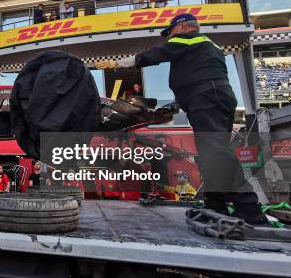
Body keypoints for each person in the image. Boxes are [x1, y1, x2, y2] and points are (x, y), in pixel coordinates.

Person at [96, 13, 268, 224]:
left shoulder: (189, 39)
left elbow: (157, 53)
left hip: (206, 100)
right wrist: (177, 105)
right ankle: (217, 204)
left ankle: (249, 209)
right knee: (210, 153)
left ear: (184, 27)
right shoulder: (208, 47)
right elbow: (200, 77)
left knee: (215, 152)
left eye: (170, 33)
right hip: (213, 99)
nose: (169, 38)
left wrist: (118, 63)